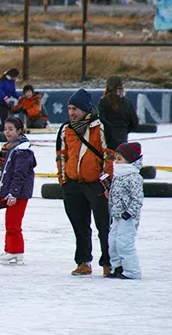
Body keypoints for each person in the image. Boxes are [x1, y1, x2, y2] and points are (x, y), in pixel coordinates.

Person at [56, 88, 115, 277]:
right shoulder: (66, 129)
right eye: (69, 108)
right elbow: (61, 156)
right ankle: (83, 262)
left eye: (75, 108)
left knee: (104, 226)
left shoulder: (101, 126)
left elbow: (110, 156)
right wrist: (64, 181)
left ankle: (108, 263)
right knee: (80, 227)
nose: (72, 112)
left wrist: (106, 182)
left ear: (85, 109)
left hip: (96, 185)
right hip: (73, 185)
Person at [0, 117, 37, 265]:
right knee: (10, 222)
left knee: (13, 223)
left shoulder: (22, 150)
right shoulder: (9, 148)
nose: (7, 132)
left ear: (19, 131)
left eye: (11, 129)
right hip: (11, 192)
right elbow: (3, 173)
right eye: (5, 129)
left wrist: (14, 193)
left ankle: (16, 250)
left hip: (19, 193)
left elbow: (19, 174)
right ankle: (9, 249)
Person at [107, 142, 144, 280]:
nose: (115, 162)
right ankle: (118, 267)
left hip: (127, 217)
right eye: (115, 158)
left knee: (124, 244)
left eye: (119, 159)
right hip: (117, 215)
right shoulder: (118, 175)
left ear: (130, 160)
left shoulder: (133, 176)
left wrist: (129, 213)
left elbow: (137, 199)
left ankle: (132, 271)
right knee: (113, 242)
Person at [98, 76, 138, 146]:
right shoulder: (127, 102)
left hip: (107, 141)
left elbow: (101, 120)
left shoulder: (103, 102)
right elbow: (134, 123)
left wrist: (109, 130)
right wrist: (124, 130)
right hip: (122, 140)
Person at [0, 68, 20, 132]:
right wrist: (4, 97)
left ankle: (4, 129)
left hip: (4, 103)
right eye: (15, 76)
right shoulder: (3, 81)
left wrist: (18, 97)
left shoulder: (12, 82)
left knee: (4, 117)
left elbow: (12, 91)